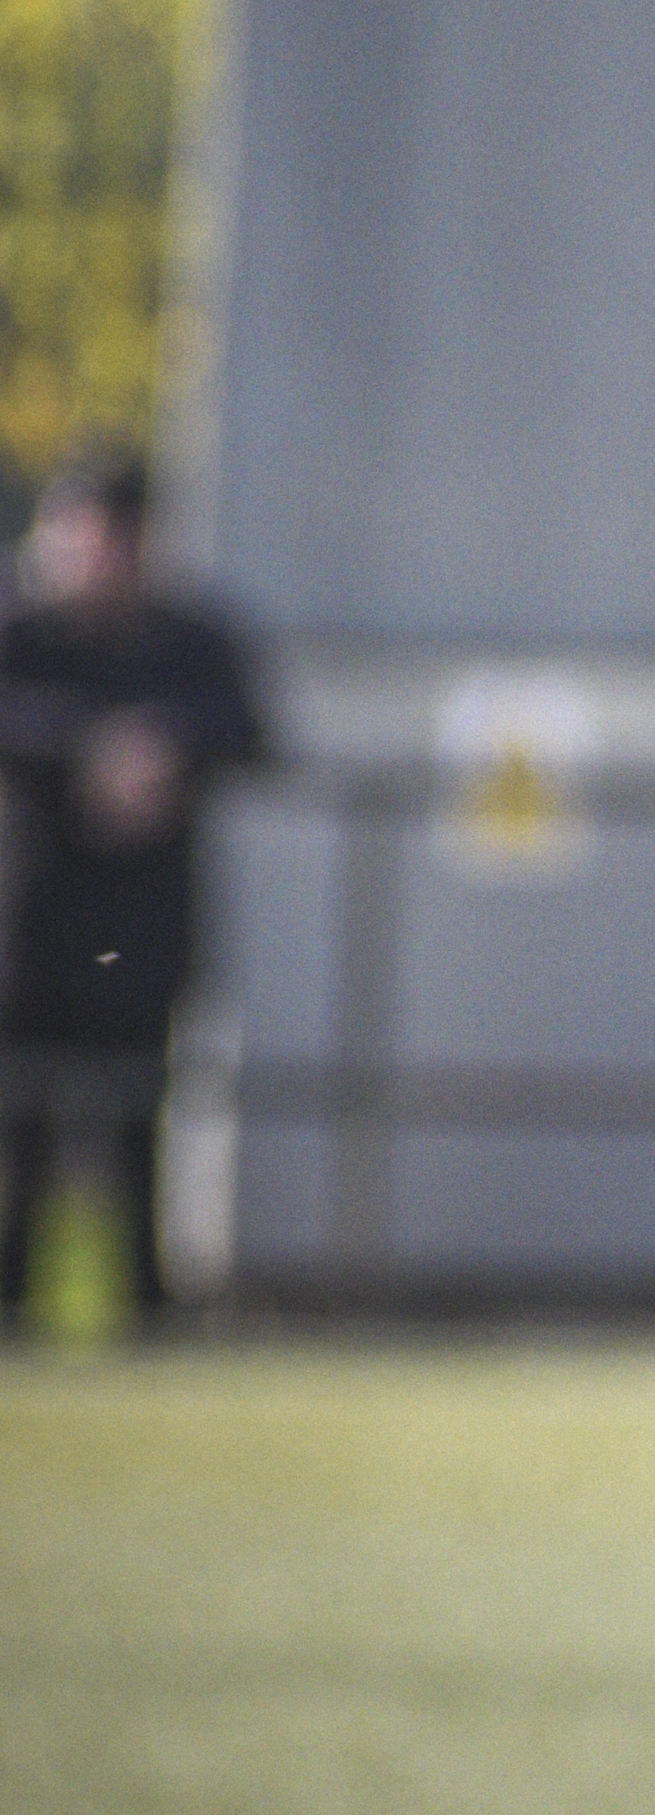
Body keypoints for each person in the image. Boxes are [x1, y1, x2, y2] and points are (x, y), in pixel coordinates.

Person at [0, 448, 265, 1330]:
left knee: (138, 1123)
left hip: (145, 929)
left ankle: (145, 1316)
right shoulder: (25, 632)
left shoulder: (188, 639)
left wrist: (164, 747)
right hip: (28, 926)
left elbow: (252, 731)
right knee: (20, 1126)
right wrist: (89, 748)